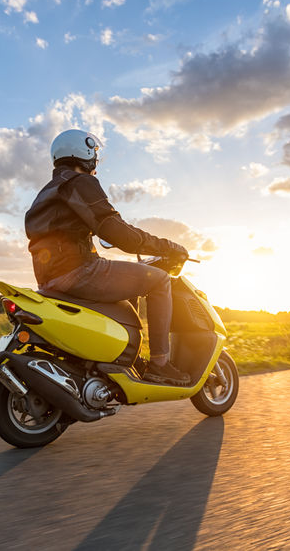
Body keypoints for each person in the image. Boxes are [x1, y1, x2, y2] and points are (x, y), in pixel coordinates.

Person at [24, 128, 190, 385]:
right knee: (158, 280)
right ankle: (160, 364)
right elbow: (115, 230)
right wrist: (166, 246)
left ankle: (125, 359)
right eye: (94, 155)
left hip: (48, 279)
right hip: (78, 271)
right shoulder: (80, 182)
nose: (96, 164)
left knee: (128, 287)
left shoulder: (47, 192)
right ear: (84, 151)